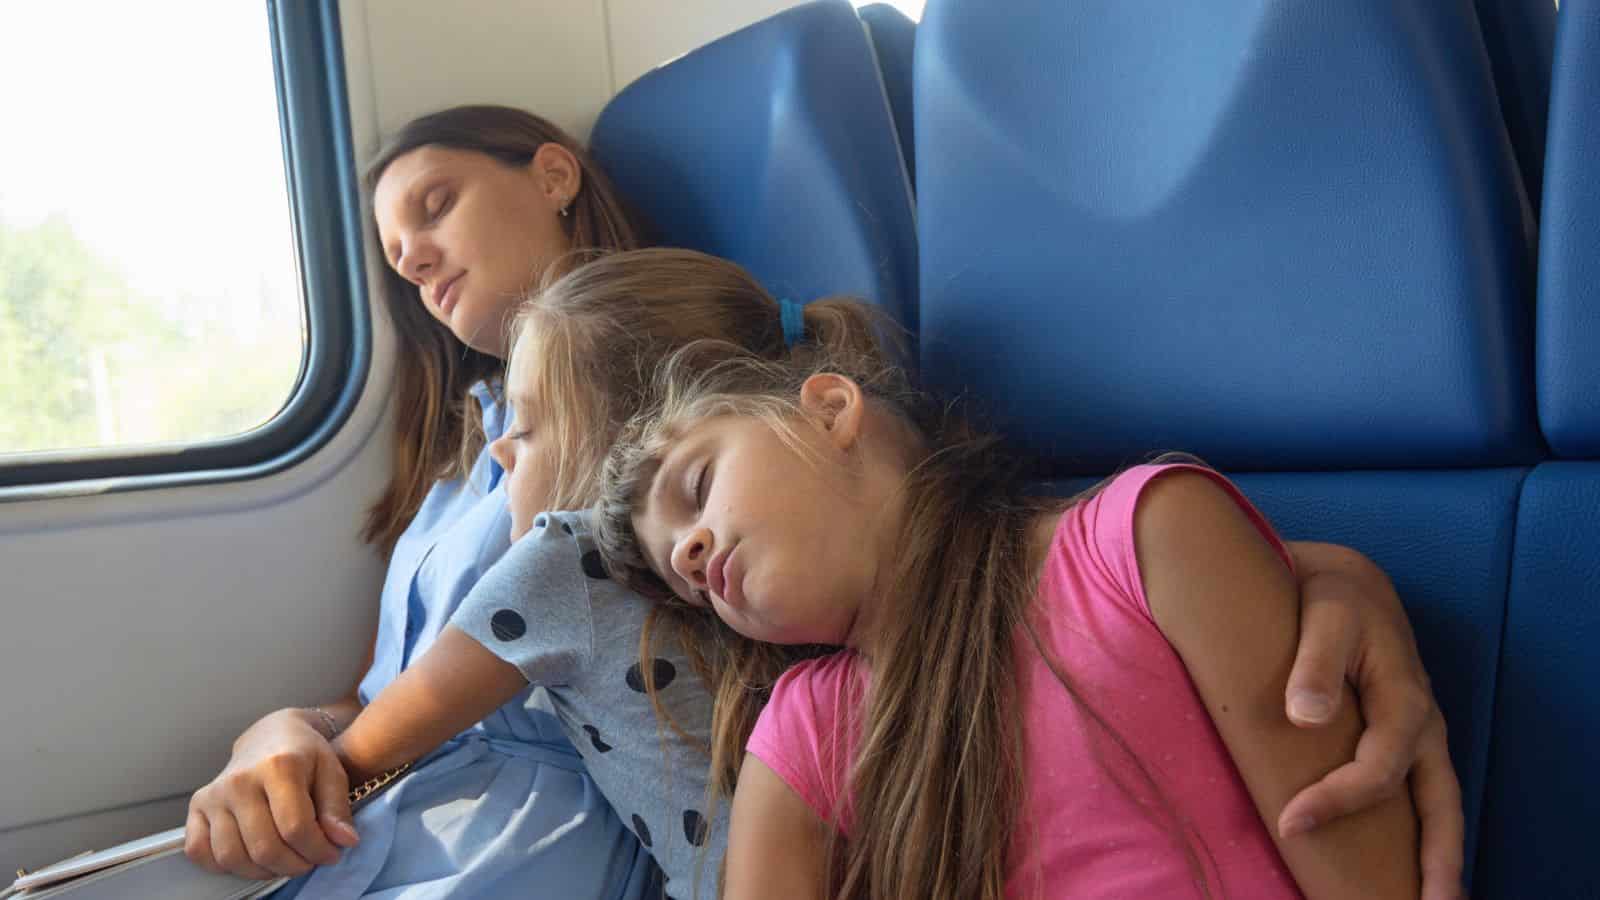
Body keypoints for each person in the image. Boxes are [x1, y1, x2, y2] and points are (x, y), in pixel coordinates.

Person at [593, 255, 1465, 899]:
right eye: (684, 580)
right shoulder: (802, 739)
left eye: (696, 488)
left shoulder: (1147, 539)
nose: (692, 556)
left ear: (828, 410)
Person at [183, 106, 656, 898]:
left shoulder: (648, 399)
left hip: (525, 831)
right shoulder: (468, 448)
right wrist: (286, 729)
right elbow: (383, 685)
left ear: (553, 176)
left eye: (435, 208)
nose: (414, 261)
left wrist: (346, 759)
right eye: (398, 257)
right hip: (387, 802)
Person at [322, 248, 891, 898]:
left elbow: (374, 745)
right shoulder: (765, 554)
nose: (499, 449)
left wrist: (305, 759)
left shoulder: (565, 560)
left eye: (526, 427)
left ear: (622, 439)